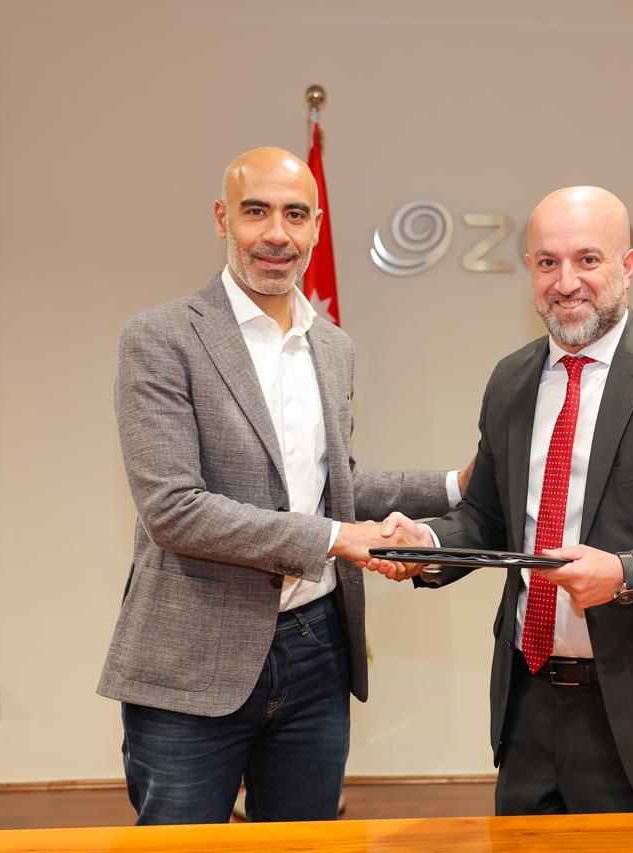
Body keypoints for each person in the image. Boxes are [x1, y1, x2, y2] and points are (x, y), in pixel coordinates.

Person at [371, 186, 633, 814]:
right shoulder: (511, 379)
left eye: (587, 259)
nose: (566, 282)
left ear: (627, 266)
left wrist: (630, 572)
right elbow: (488, 517)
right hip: (528, 708)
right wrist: (428, 543)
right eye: (547, 262)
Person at [98, 147, 462, 825]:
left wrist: (456, 484)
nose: (276, 233)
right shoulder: (160, 337)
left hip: (317, 650)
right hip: (192, 656)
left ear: (317, 227)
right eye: (256, 211)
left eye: (295, 215)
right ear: (222, 218)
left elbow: (331, 485)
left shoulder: (333, 346)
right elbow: (173, 509)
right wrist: (336, 539)